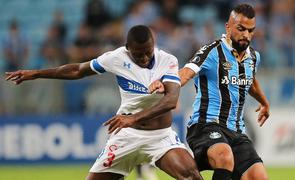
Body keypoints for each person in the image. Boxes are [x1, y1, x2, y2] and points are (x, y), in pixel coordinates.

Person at [5, 25, 203, 180]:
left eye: (148, 53)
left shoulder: (167, 60)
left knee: (192, 176)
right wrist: (37, 73)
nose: (144, 58)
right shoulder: (116, 58)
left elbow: (170, 100)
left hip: (160, 137)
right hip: (125, 136)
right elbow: (78, 70)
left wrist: (132, 118)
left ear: (154, 45)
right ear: (128, 49)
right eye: (138, 54)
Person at [149, 4, 270, 180]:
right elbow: (186, 72)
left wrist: (264, 102)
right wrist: (165, 84)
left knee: (258, 176)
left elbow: (250, 82)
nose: (246, 35)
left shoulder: (253, 57)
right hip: (205, 126)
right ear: (228, 26)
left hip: (236, 131)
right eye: (241, 29)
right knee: (224, 155)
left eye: (251, 31)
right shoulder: (212, 51)